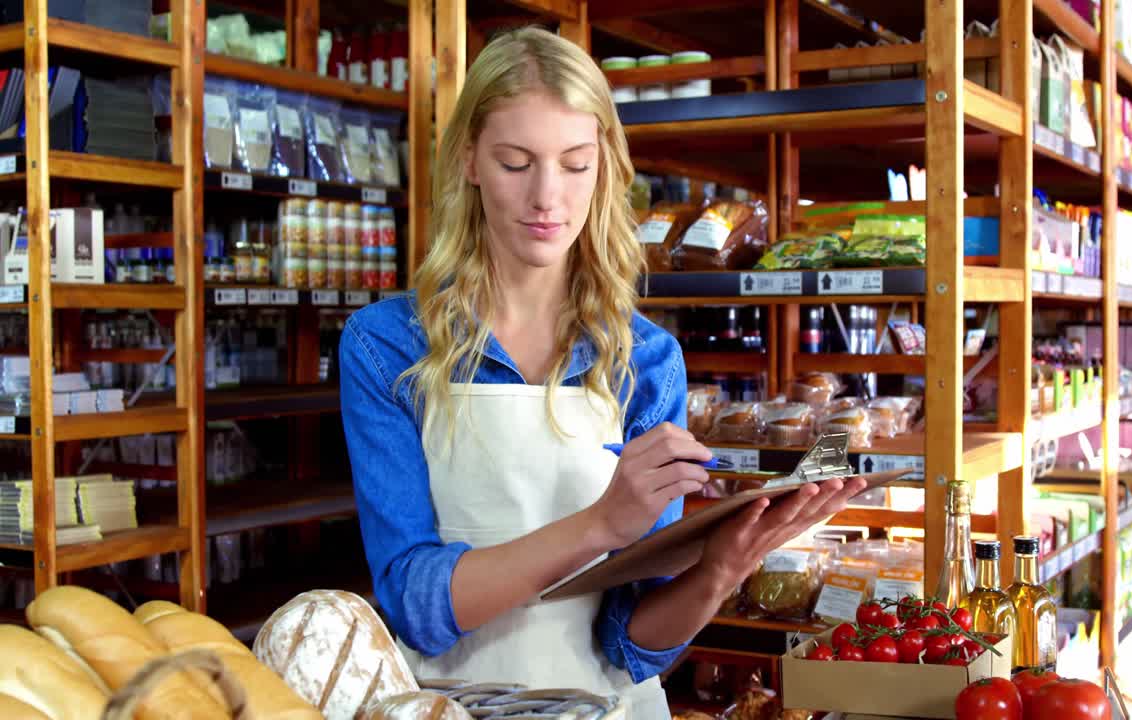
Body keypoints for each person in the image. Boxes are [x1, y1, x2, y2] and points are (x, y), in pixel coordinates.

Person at [339, 26, 867, 720]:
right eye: (515, 161)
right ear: (469, 160)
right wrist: (598, 526)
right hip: (448, 706)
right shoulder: (386, 347)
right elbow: (414, 605)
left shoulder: (645, 361)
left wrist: (720, 571)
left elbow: (629, 641)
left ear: (605, 167)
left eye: (575, 163)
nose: (547, 197)